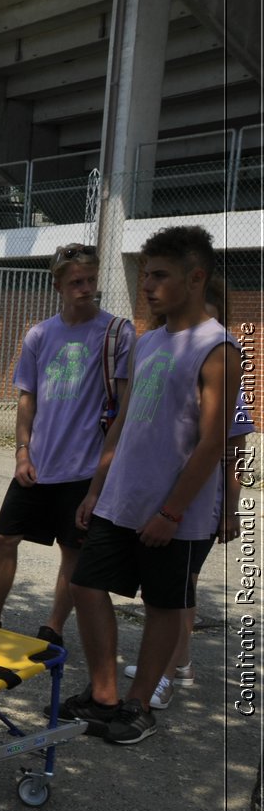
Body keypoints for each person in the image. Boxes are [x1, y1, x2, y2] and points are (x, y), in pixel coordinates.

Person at [66, 228, 241, 745]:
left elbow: (213, 443)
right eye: (146, 275)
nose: (147, 286)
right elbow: (122, 421)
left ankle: (138, 706)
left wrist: (171, 512)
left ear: (196, 278)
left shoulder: (219, 349)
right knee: (85, 584)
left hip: (176, 515)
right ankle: (104, 694)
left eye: (160, 275)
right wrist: (97, 488)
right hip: (121, 499)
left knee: (163, 605)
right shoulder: (149, 341)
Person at [0, 243, 134, 645]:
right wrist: (22, 452)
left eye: (89, 281)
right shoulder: (39, 334)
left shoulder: (117, 332)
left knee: (72, 551)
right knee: (3, 538)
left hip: (84, 468)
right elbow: (26, 397)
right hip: (38, 463)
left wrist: (105, 470)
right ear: (58, 286)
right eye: (75, 282)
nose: (84, 289)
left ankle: (53, 627)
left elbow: (123, 406)